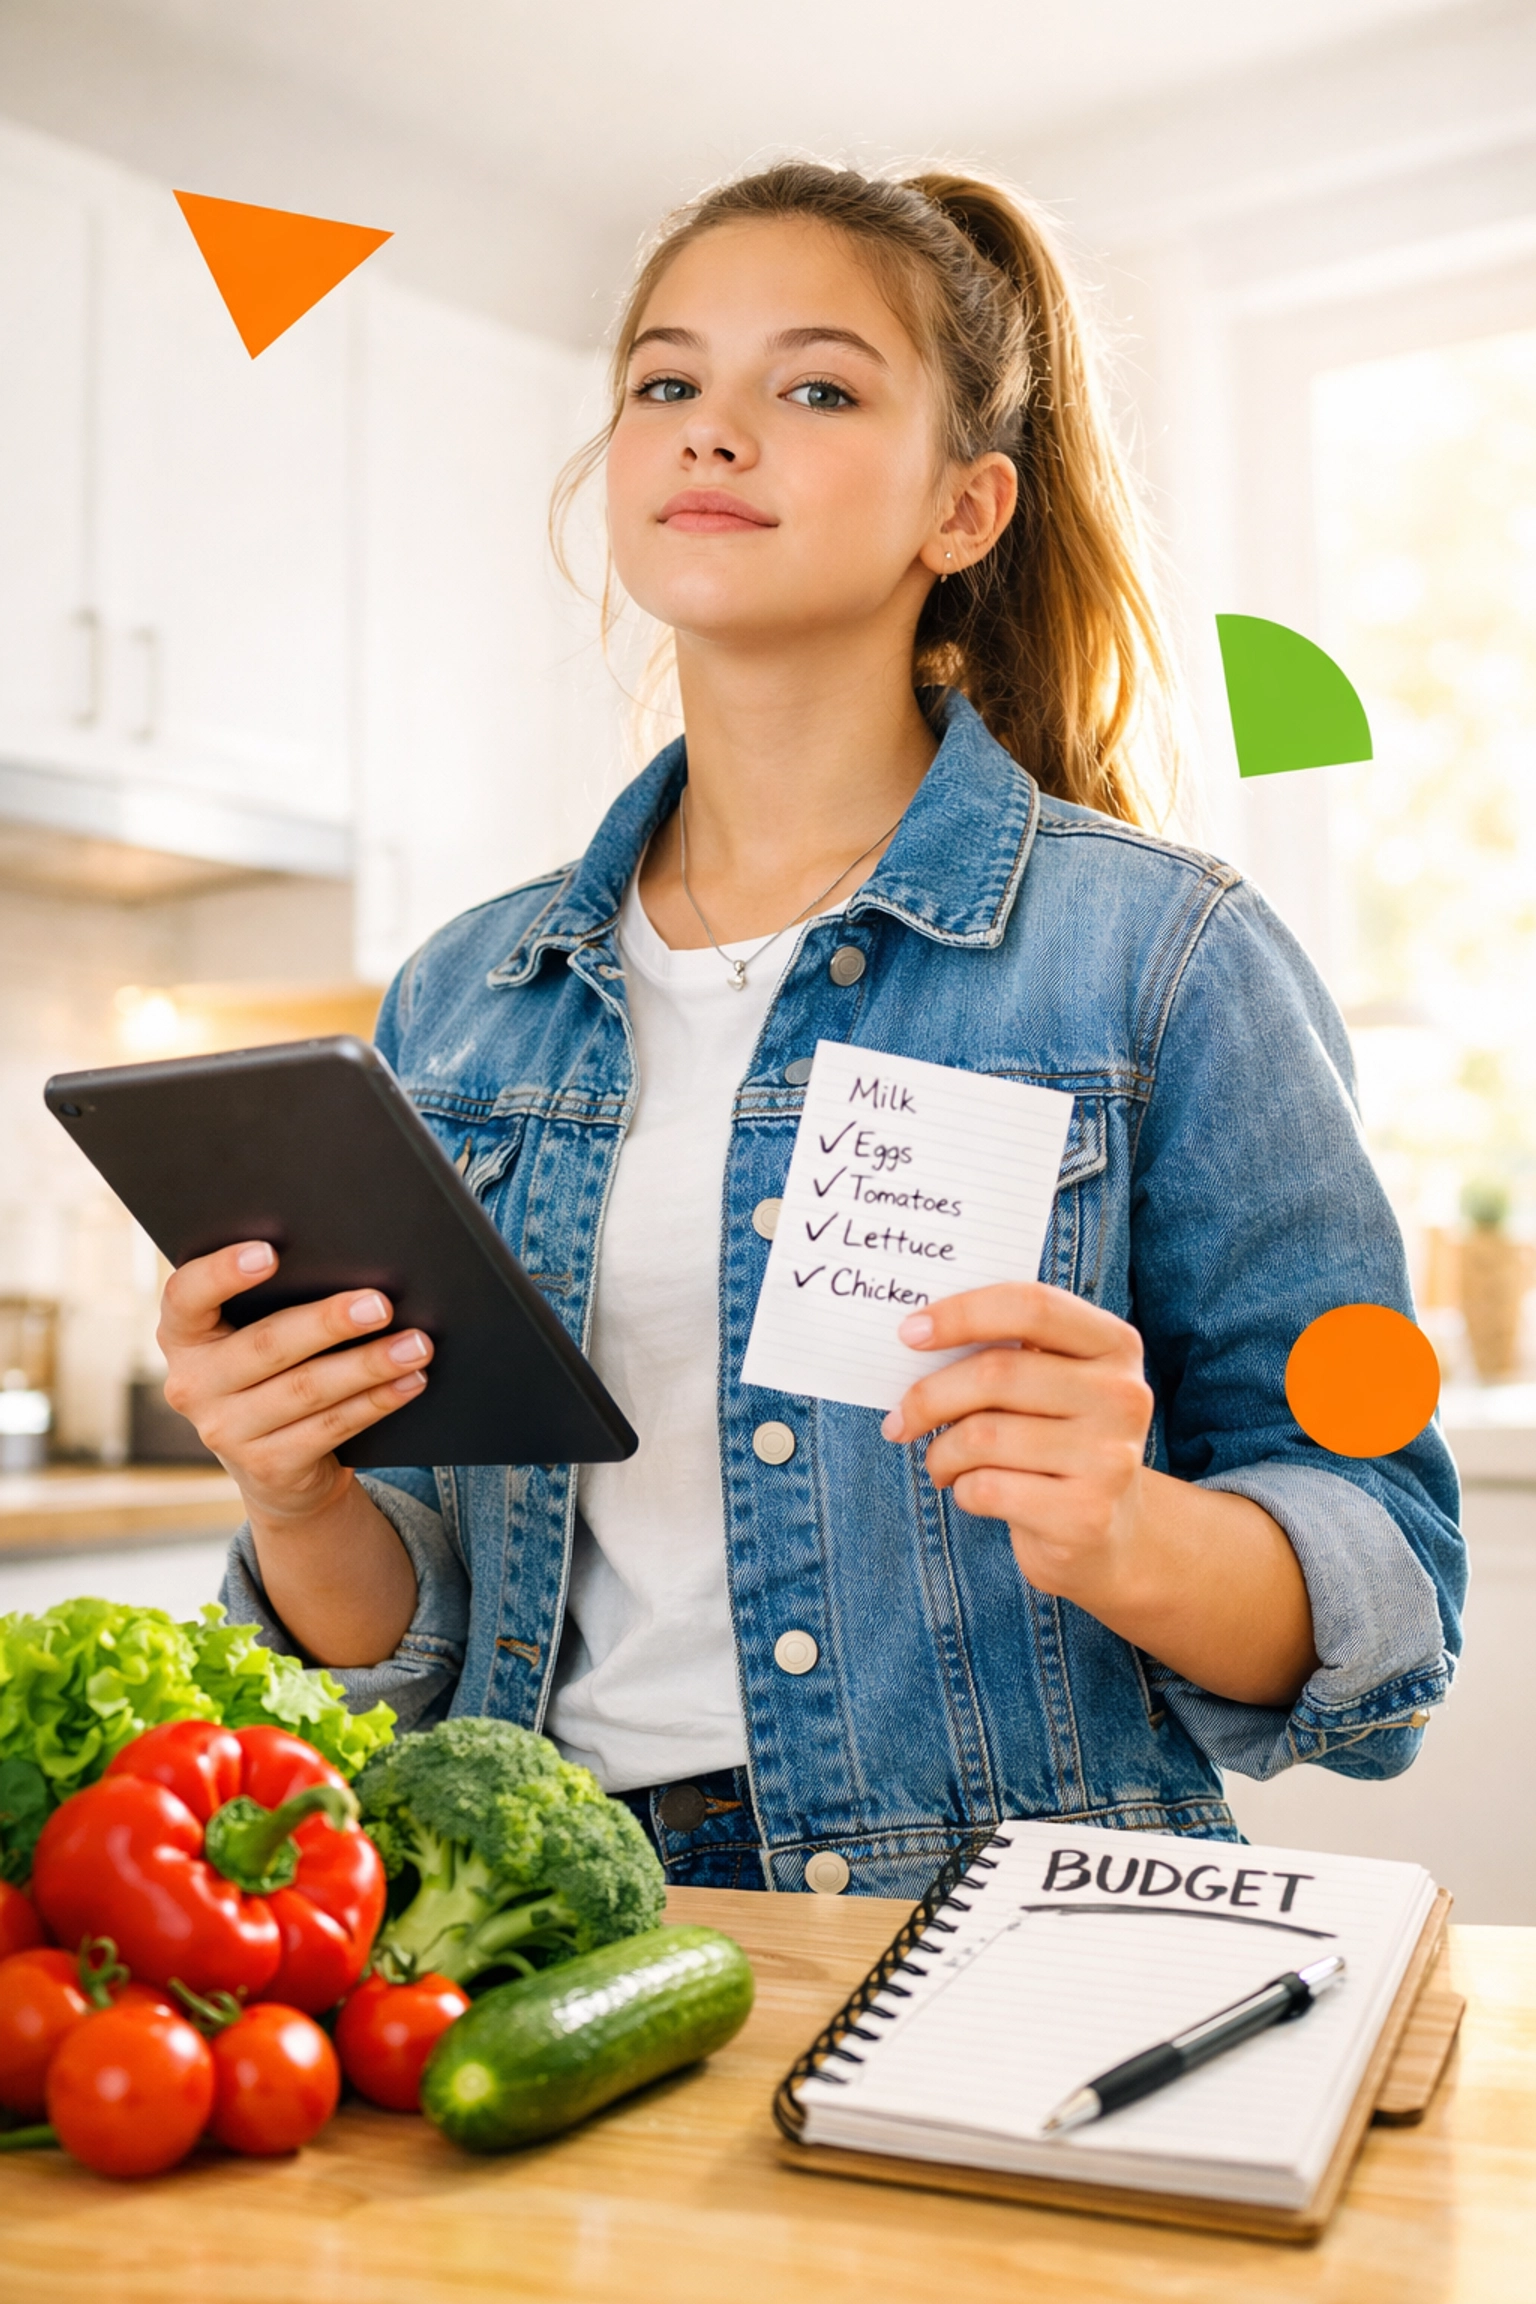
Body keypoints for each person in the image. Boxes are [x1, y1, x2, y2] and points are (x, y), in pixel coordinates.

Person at [162, 163, 1465, 1899]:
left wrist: (1130, 1527)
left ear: (968, 510)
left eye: (819, 388)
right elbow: (421, 1638)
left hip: (1004, 1929)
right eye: (666, 383)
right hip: (541, 1934)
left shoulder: (1169, 956)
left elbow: (1393, 1571)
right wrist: (297, 1489)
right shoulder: (464, 1000)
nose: (712, 434)